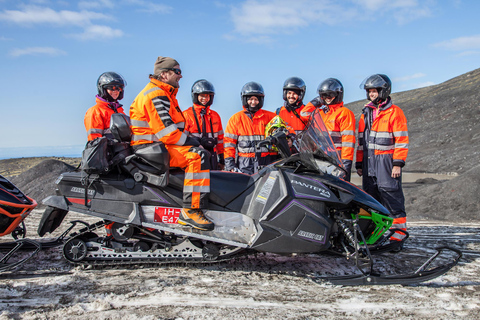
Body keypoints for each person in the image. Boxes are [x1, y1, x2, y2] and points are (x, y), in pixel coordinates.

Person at [129, 56, 214, 231]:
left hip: (158, 146)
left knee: (198, 152)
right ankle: (191, 210)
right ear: (164, 74)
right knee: (197, 157)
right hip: (150, 148)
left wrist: (194, 140)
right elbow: (167, 133)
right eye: (177, 72)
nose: (180, 76)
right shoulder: (156, 94)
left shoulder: (165, 93)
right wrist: (194, 142)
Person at [356, 74, 408, 244]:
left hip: (386, 162)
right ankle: (374, 236)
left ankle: (397, 237)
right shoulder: (366, 113)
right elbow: (361, 142)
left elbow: (401, 139)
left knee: (391, 197)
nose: (371, 94)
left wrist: (397, 164)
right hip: (368, 162)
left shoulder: (395, 112)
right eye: (369, 91)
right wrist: (359, 162)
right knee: (371, 199)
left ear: (384, 91)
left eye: (374, 91)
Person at [224, 82, 277, 175]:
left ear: (260, 100)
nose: (253, 102)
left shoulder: (271, 117)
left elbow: (286, 129)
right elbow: (229, 144)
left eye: (256, 99)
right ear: (245, 99)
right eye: (251, 99)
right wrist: (230, 166)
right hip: (244, 164)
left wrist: (290, 137)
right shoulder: (235, 119)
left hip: (267, 163)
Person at [316, 78, 356, 181]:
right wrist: (314, 102)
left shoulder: (344, 113)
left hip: (338, 160)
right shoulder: (320, 113)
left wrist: (346, 163)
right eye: (324, 95)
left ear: (338, 94)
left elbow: (348, 141)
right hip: (322, 159)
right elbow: (304, 113)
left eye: (331, 95)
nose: (327, 98)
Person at [183, 79, 225, 170]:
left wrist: (222, 158)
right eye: (202, 96)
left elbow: (220, 140)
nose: (205, 99)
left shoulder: (215, 116)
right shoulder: (187, 115)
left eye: (207, 96)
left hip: (212, 157)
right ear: (195, 96)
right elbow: (182, 139)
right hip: (195, 156)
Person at [84, 72, 126, 141]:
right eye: (112, 88)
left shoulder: (119, 110)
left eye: (119, 88)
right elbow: (94, 141)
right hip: (109, 151)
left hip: (123, 150)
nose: (116, 91)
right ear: (103, 89)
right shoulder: (95, 111)